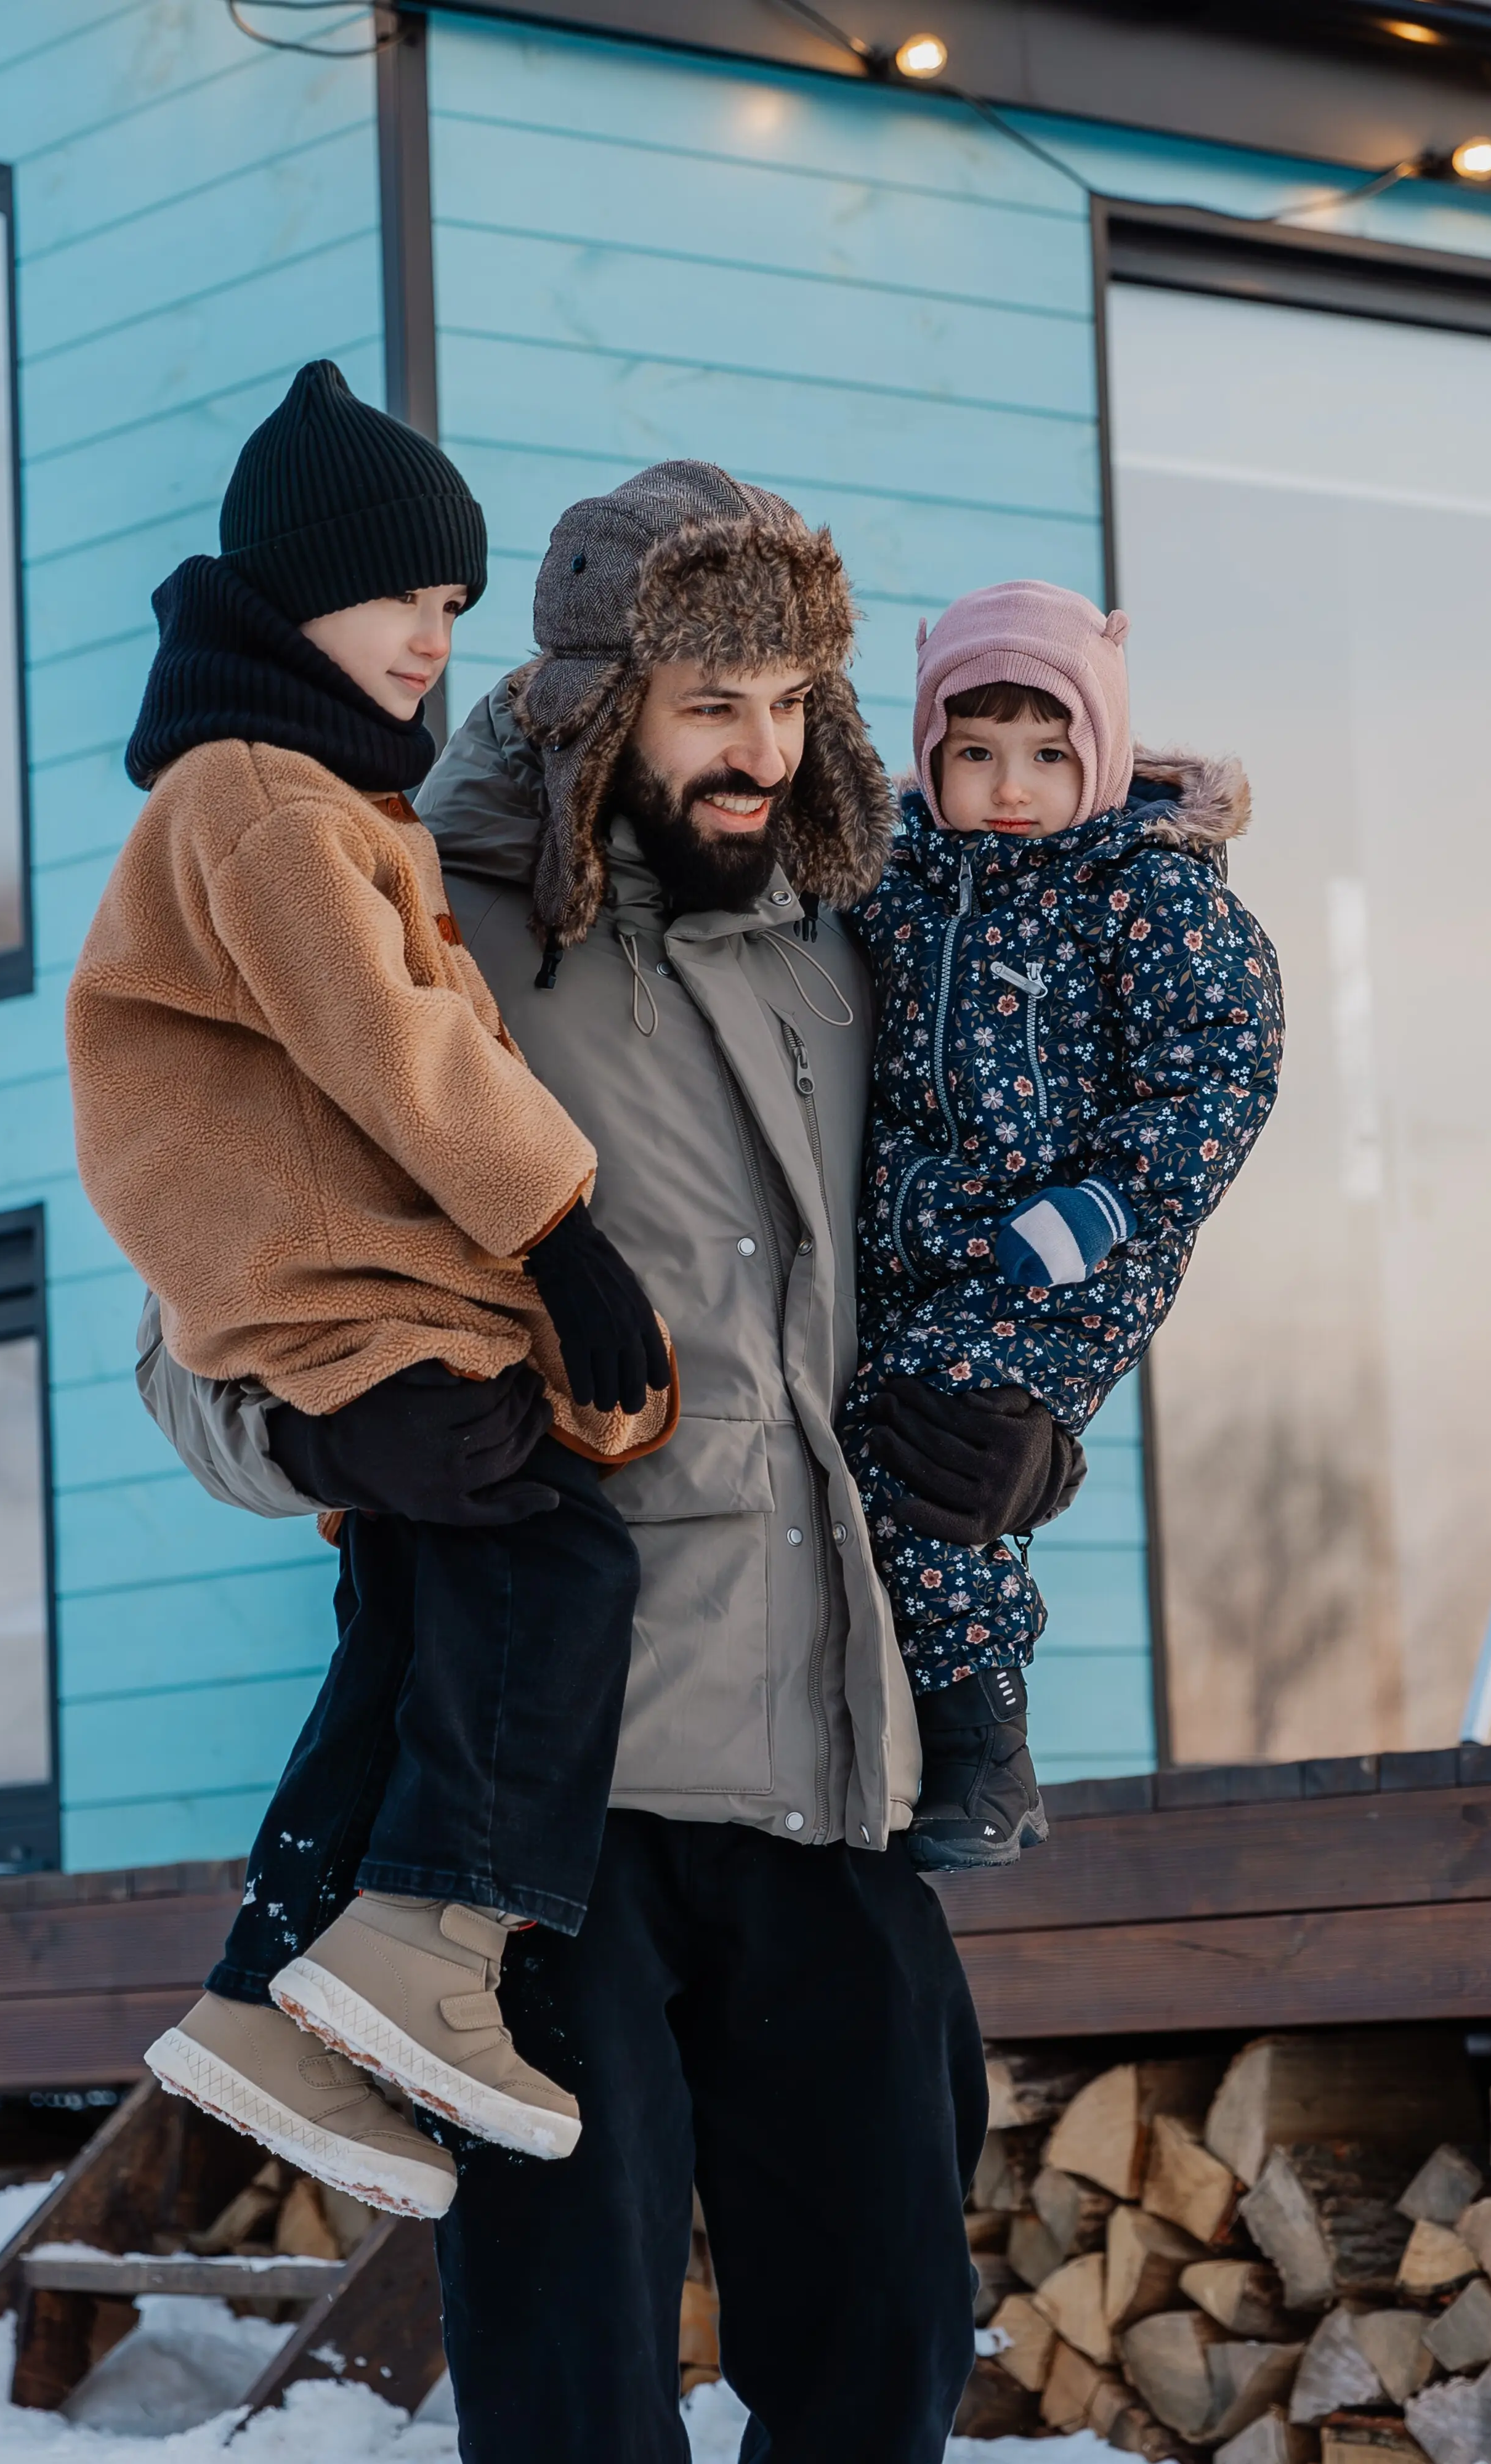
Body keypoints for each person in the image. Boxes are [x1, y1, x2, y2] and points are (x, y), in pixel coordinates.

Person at [143, 460, 1078, 2454]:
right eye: (711, 705)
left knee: (890, 2348)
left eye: (797, 704)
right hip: (547, 1817)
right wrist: (329, 1427)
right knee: (574, 2380)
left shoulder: (857, 942)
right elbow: (200, 1307)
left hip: (836, 1775)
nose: (763, 754)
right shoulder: (419, 920)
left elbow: (949, 1273)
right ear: (595, 702)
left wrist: (1027, 1441)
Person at [67, 362, 679, 2218]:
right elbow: (399, 1047)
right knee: (554, 1558)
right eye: (407, 594)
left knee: (420, 1613)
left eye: (455, 605)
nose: (435, 634)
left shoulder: (308, 792)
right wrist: (562, 1230)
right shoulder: (260, 798)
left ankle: (273, 1988)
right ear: (297, 590)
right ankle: (433, 1939)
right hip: (339, 1285)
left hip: (350, 1281)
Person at [849, 580, 1282, 1866]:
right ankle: (921, 1737)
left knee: (943, 1457)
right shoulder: (900, 879)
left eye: (1048, 752)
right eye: (974, 753)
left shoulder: (1141, 890)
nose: (1011, 783)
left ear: (1099, 753)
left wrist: (1102, 1206)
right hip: (922, 1249)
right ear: (930, 755)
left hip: (1075, 1255)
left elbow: (1223, 1064)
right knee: (876, 1450)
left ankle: (989, 1752)